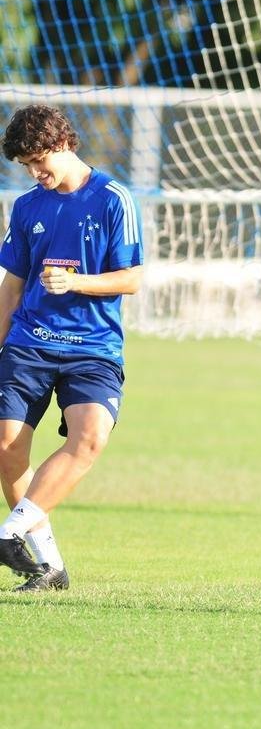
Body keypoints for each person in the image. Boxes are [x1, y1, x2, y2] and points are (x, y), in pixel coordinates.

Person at [0, 104, 144, 591]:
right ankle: (49, 566)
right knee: (6, 447)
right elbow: (11, 288)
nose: (34, 173)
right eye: (26, 166)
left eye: (39, 160)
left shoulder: (113, 199)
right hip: (29, 343)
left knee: (89, 439)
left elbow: (133, 278)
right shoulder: (26, 208)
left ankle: (10, 532)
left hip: (93, 347)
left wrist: (77, 282)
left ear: (63, 143)